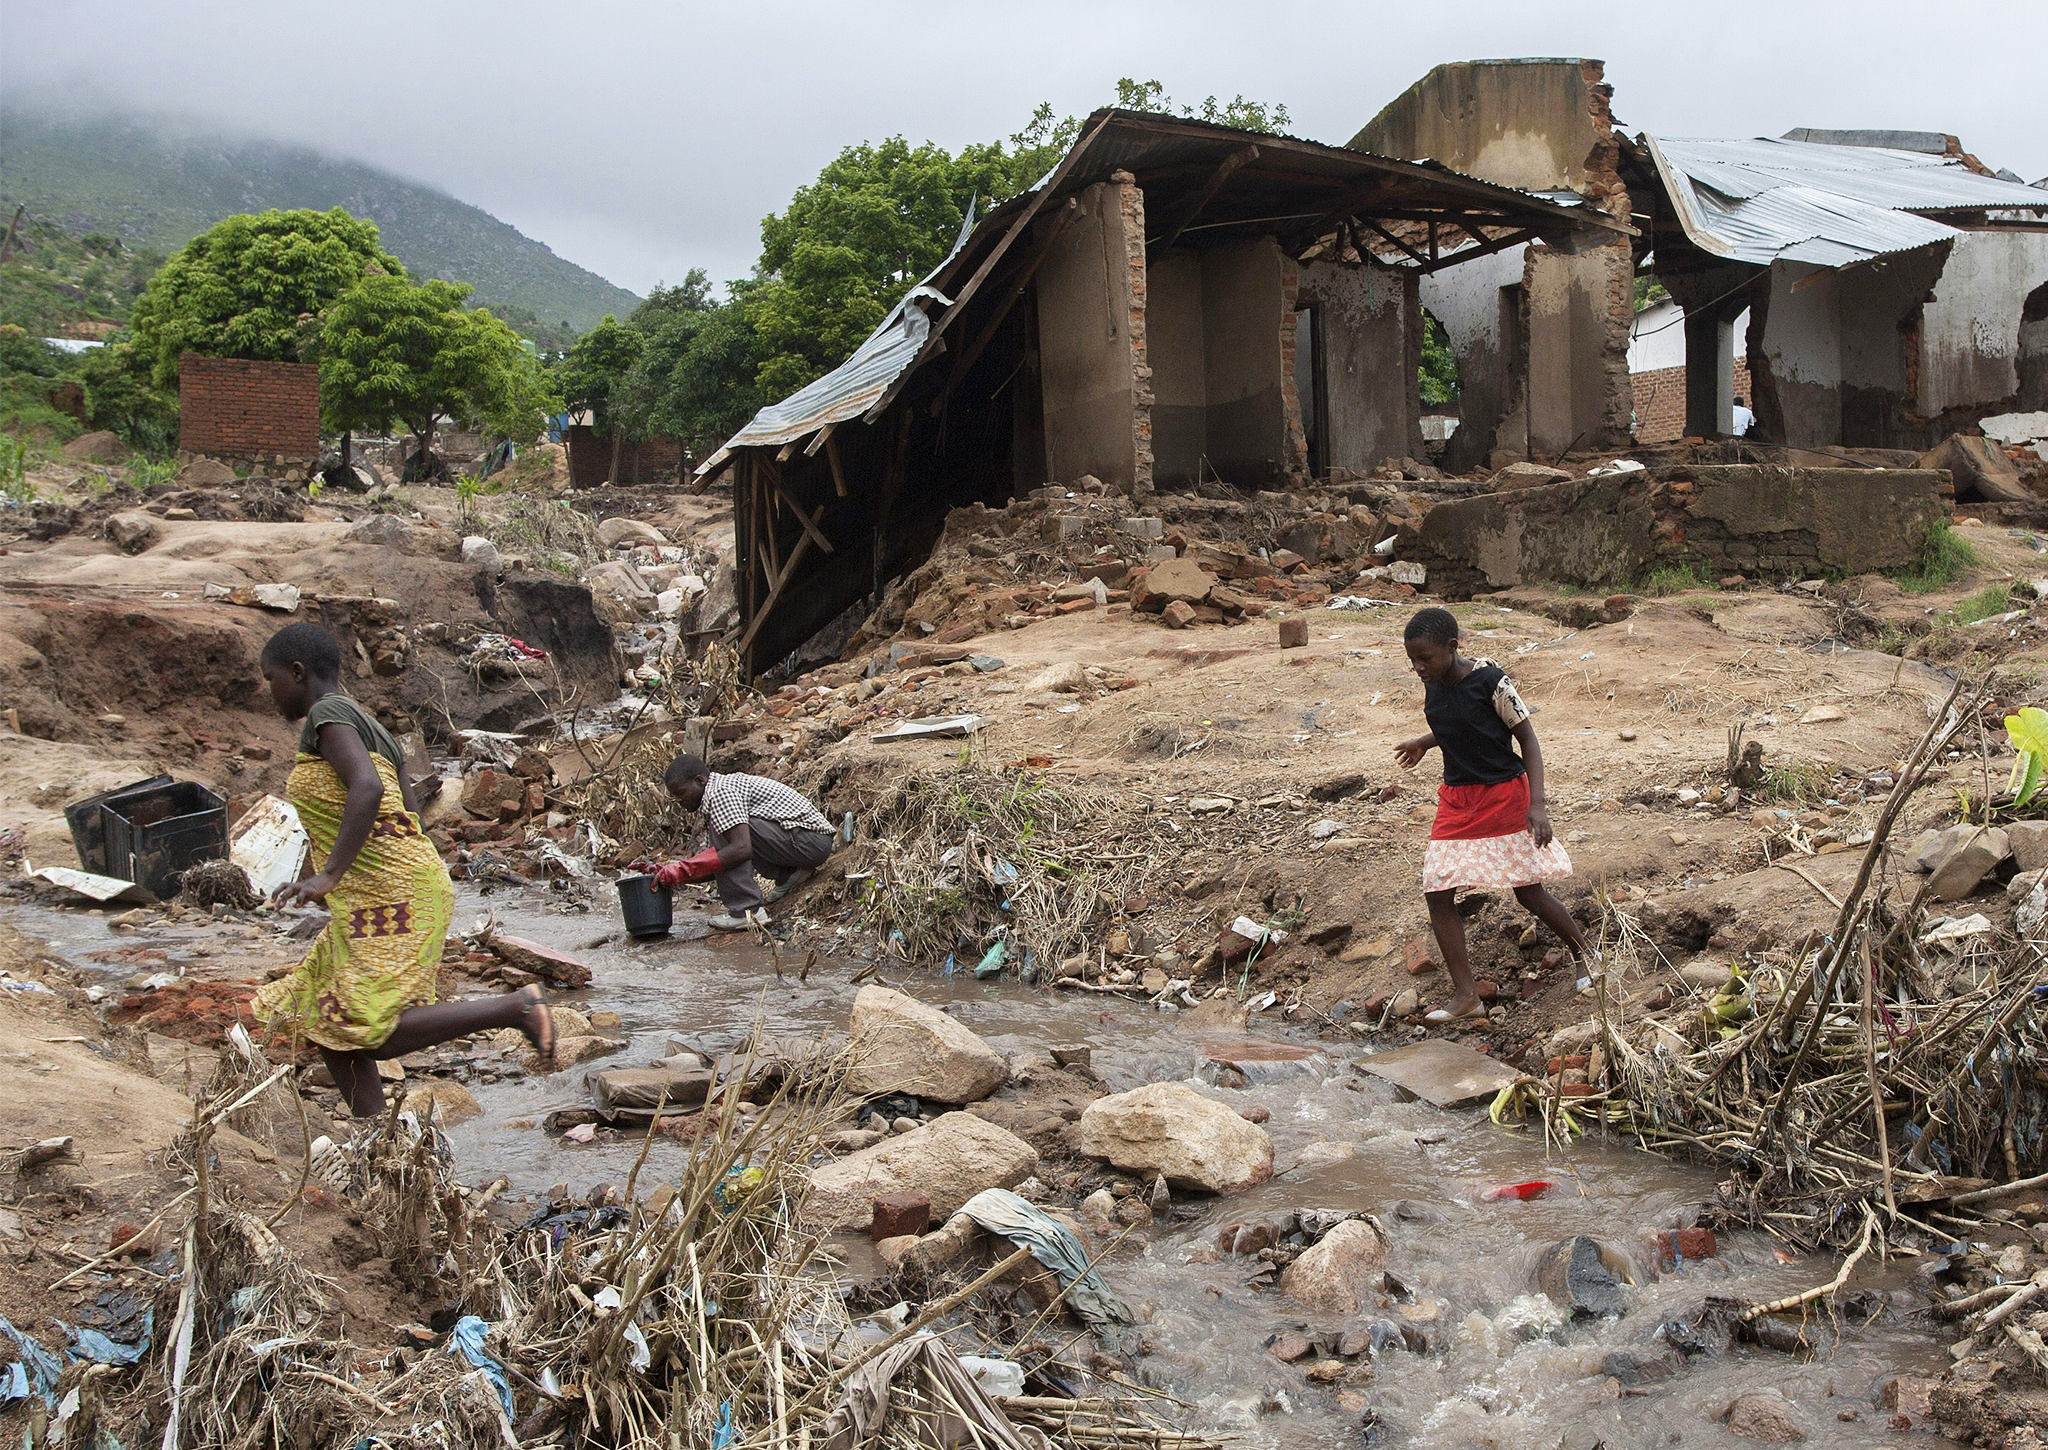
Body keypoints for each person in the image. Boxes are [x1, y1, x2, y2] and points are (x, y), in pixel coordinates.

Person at [250, 623, 553, 1118]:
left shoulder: (327, 715)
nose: (269, 691)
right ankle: (375, 1142)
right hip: (393, 888)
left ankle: (514, 1008)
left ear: (298, 673)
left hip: (396, 895)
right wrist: (333, 875)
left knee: (375, 1030)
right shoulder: (369, 728)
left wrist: (328, 876)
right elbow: (407, 815)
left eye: (270, 678)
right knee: (325, 1014)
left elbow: (366, 791)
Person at [1393, 607, 1596, 1023]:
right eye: (1412, 659)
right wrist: (1425, 742)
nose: (1418, 667)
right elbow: (1460, 723)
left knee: (1528, 892)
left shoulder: (1490, 680)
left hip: (1504, 795)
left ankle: (1585, 958)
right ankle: (1467, 996)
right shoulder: (1434, 682)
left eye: (1425, 658)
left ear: (1452, 648)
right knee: (1436, 887)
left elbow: (1527, 738)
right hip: (1457, 799)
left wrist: (1536, 805)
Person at [658, 755, 835, 930]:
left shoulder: (720, 793)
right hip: (805, 843)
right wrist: (673, 874)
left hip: (812, 841)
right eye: (675, 796)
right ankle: (789, 874)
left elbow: (740, 850)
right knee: (730, 839)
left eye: (681, 793)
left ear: (699, 780)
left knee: (736, 839)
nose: (678, 800)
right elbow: (719, 862)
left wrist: (683, 869)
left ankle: (746, 911)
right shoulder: (715, 795)